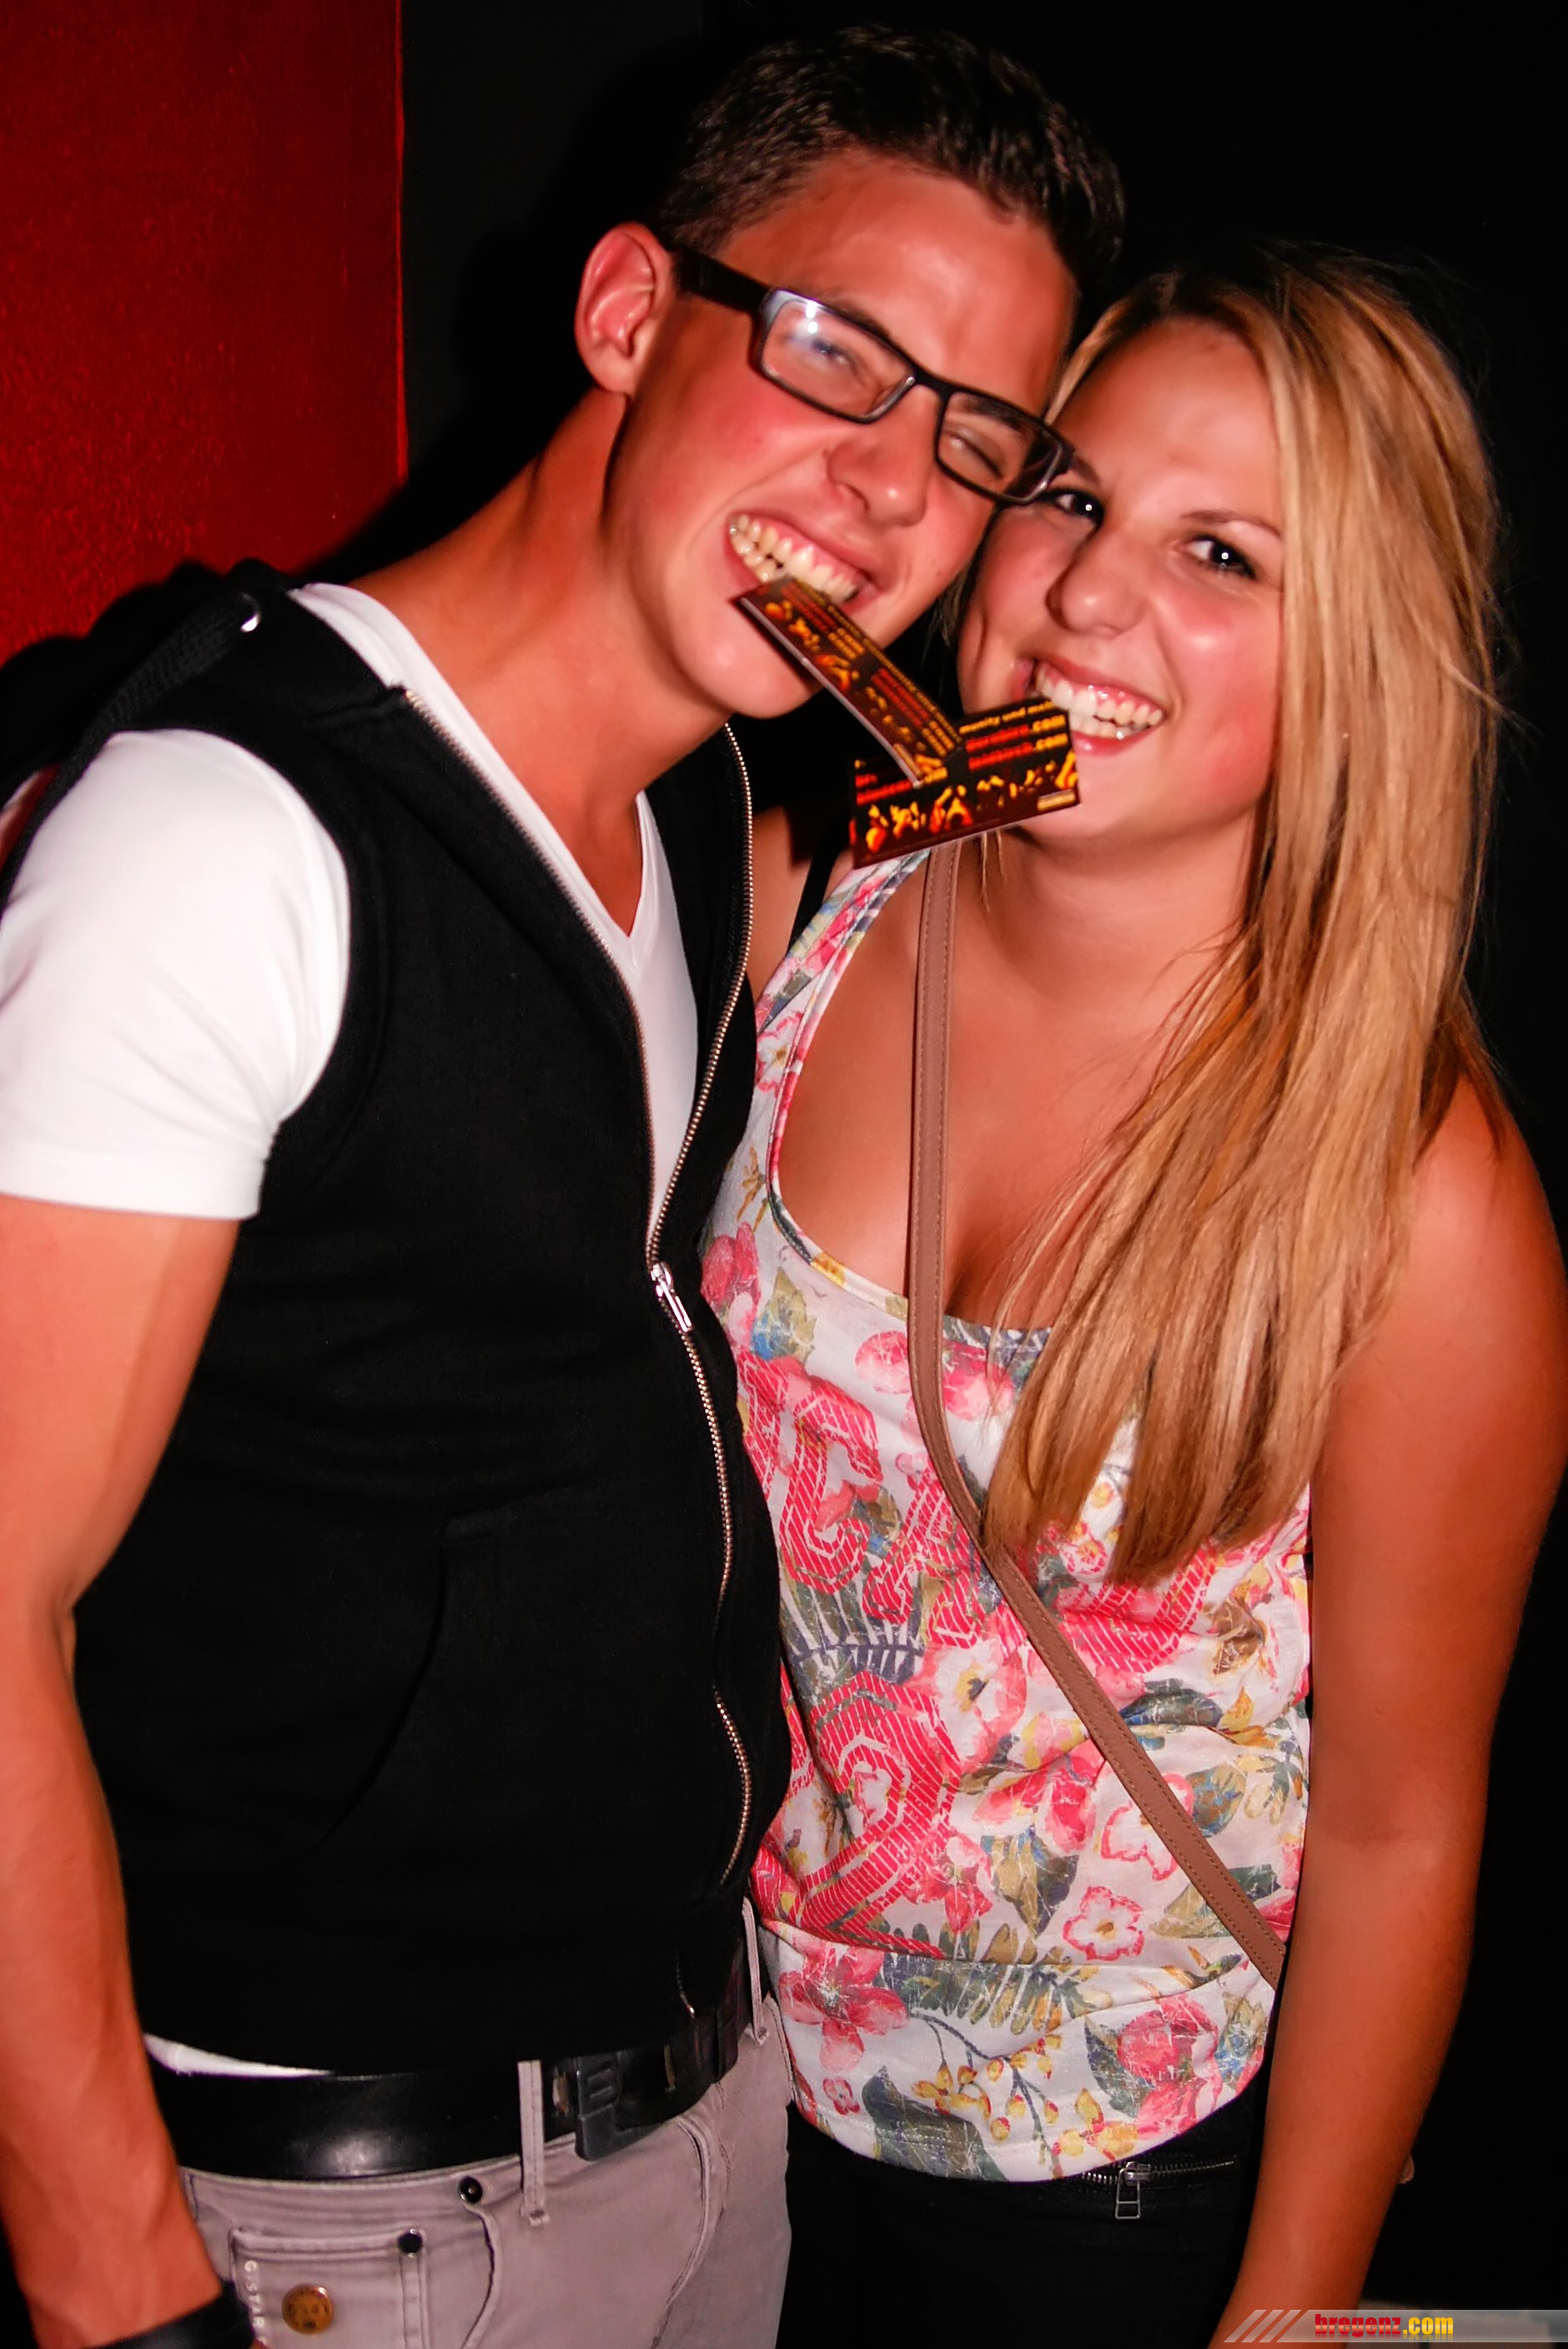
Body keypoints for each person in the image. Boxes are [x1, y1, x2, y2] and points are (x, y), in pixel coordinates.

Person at [0, 30, 1122, 2349]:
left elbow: (934, 797)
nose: (892, 492)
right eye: (835, 353)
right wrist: (121, 2289)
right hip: (365, 2213)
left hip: (704, 2114)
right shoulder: (226, 847)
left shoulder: (709, 803)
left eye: (974, 438)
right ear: (627, 310)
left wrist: (1129, 740)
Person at [706, 249, 1568, 2346]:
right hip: (714, 2081)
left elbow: (1397, 1827)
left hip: (1112, 2182)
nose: (1091, 593)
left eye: (1222, 554)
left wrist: (1289, 2313)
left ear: (1357, 661)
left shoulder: (1410, 1192)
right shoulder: (802, 895)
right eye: (1072, 495)